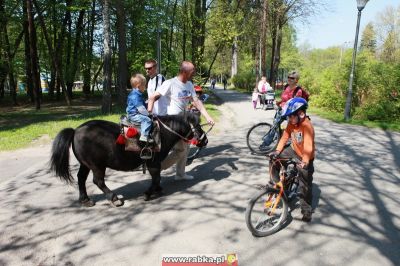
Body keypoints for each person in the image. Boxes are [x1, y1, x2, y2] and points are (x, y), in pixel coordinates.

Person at [147, 61, 215, 180]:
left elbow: (196, 101)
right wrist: (150, 113)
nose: (194, 73)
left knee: (186, 147)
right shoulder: (170, 83)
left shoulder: (189, 84)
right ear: (184, 71)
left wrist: (207, 116)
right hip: (172, 125)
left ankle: (180, 174)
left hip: (185, 122)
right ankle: (158, 167)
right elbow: (153, 97)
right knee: (181, 149)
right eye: (192, 71)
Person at [268, 97, 315, 222]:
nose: (289, 119)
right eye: (288, 117)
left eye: (291, 116)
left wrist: (304, 162)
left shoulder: (307, 126)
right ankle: (277, 186)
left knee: (304, 186)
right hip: (294, 150)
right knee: (274, 159)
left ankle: (307, 211)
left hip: (306, 156)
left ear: (301, 114)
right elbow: (284, 137)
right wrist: (277, 151)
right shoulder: (291, 123)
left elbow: (308, 146)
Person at [126, 74, 153, 143]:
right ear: (139, 86)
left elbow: (141, 104)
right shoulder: (135, 96)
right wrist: (148, 114)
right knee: (147, 120)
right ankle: (144, 136)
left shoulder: (136, 94)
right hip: (134, 115)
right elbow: (141, 108)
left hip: (134, 113)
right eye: (144, 85)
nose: (145, 87)